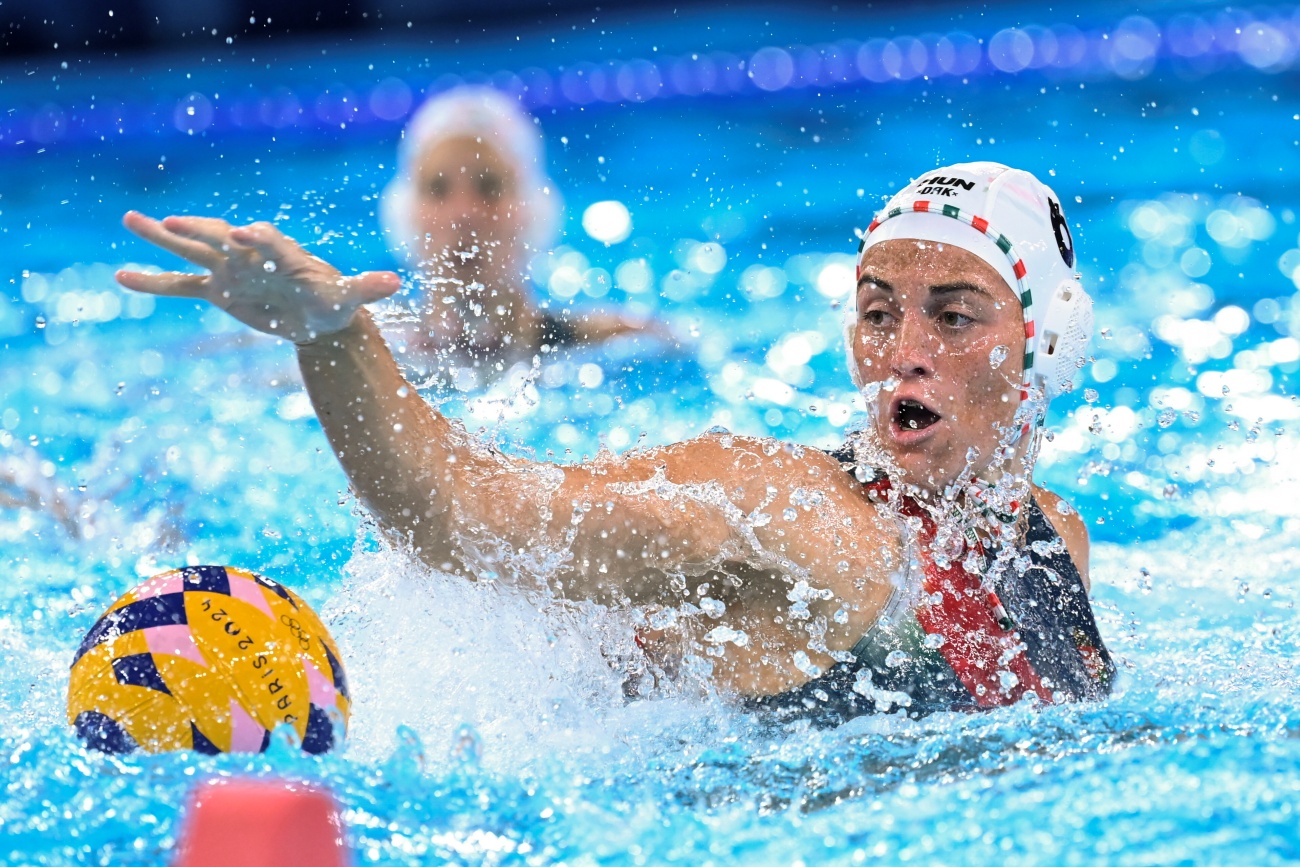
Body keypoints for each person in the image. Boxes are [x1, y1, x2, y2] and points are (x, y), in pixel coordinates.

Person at [116, 161, 1115, 725]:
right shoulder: (789, 518)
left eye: (953, 315)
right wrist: (333, 340)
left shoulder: (1048, 541)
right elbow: (462, 515)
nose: (903, 352)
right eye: (876, 311)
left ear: (1048, 343)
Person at [378, 86, 650, 378]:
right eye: (438, 189)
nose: (464, 214)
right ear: (404, 214)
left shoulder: (613, 342)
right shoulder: (372, 342)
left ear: (532, 211)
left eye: (489, 187)